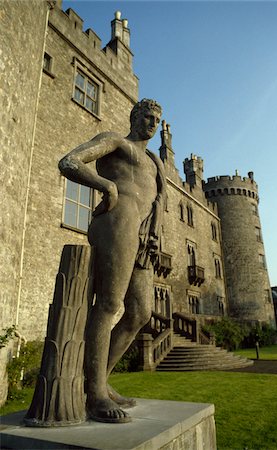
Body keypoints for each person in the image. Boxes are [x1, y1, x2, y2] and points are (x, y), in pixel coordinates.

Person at [58, 99, 166, 423]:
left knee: (140, 312)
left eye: (157, 119)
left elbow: (158, 200)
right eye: (147, 116)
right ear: (133, 116)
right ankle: (96, 396)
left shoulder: (155, 162)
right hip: (118, 219)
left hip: (144, 235)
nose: (152, 123)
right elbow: (69, 162)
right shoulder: (116, 143)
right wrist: (106, 185)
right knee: (108, 304)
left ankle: (97, 380)